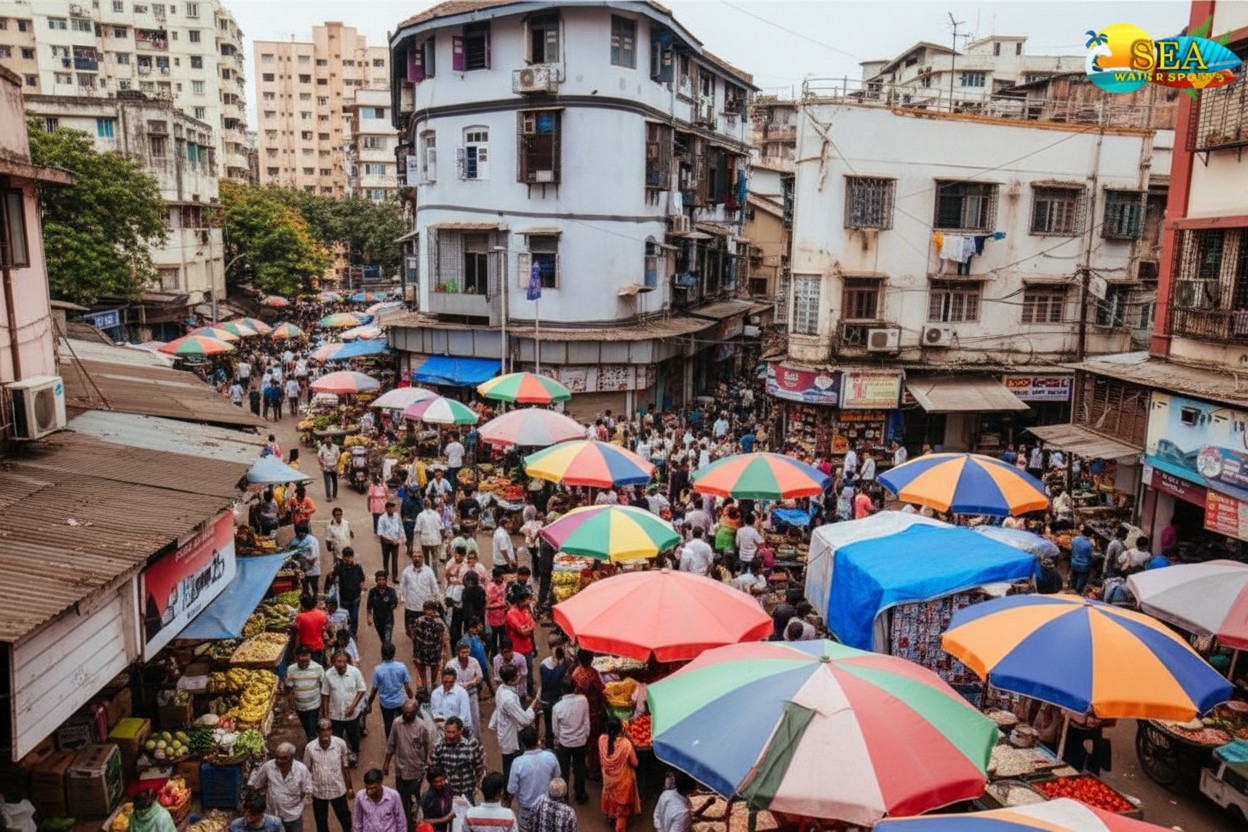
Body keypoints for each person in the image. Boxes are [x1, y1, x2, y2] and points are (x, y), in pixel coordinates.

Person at [383, 699, 434, 832]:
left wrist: (428, 765)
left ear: (416, 712)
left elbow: (428, 747)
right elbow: (391, 744)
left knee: (416, 799)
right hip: (401, 768)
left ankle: (416, 824)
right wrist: (386, 763)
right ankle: (404, 824)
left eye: (409, 713)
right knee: (402, 797)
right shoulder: (397, 723)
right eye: (404, 712)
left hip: (417, 770)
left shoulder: (422, 726)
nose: (406, 715)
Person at [491, 664, 539, 787]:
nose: (520, 676)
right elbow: (525, 720)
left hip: (509, 731)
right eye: (517, 675)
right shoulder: (509, 699)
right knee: (510, 764)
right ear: (512, 679)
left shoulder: (502, 689)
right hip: (510, 735)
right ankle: (509, 790)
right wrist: (533, 706)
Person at [248, 742, 314, 832]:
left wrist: (297, 804)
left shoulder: (301, 769)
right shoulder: (268, 766)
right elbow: (256, 784)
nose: (279, 761)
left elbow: (307, 790)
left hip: (293, 815)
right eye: (277, 758)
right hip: (272, 814)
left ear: (291, 757)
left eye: (284, 758)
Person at [303, 719, 354, 832]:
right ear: (317, 733)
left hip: (338, 789)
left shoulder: (340, 744)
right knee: (321, 823)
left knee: (345, 819)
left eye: (328, 730)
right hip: (319, 791)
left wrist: (349, 787)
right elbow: (306, 770)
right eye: (322, 731)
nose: (325, 733)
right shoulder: (310, 748)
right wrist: (308, 790)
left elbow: (345, 767)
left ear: (331, 731)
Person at [507, 727, 560, 832]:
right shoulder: (550, 757)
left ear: (522, 744)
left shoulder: (517, 763)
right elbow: (557, 778)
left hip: (527, 813)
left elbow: (511, 790)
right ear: (538, 740)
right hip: (548, 810)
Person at [322, 651, 368, 766]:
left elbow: (362, 689)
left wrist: (353, 706)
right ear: (334, 662)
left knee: (354, 737)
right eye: (339, 662)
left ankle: (355, 756)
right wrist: (326, 715)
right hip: (335, 715)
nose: (341, 664)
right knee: (337, 739)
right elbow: (325, 695)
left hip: (352, 715)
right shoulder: (328, 675)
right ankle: (341, 759)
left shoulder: (354, 672)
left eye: (344, 662)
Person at [551, 678, 590, 804]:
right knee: (580, 768)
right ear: (575, 688)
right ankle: (580, 794)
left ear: (562, 690)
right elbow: (586, 721)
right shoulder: (583, 700)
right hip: (580, 741)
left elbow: (555, 729)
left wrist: (557, 740)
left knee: (564, 770)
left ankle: (564, 796)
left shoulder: (557, 707)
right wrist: (586, 735)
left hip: (565, 743)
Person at [597, 718, 639, 832]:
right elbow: (635, 763)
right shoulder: (625, 744)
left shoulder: (601, 740)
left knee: (611, 799)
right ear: (620, 729)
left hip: (608, 779)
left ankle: (611, 816)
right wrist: (629, 738)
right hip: (623, 783)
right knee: (622, 810)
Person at [570, 650, 606, 776]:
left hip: (579, 710)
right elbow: (602, 690)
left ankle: (582, 765)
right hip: (593, 711)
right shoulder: (592, 674)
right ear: (590, 659)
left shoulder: (575, 673)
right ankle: (593, 768)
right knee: (593, 740)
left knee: (582, 738)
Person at [368, 642, 415, 739]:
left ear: (382, 654)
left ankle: (390, 742)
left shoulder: (378, 670)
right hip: (400, 702)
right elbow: (407, 686)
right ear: (394, 653)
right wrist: (411, 697)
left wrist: (369, 703)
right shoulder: (401, 667)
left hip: (386, 704)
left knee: (388, 724)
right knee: (404, 722)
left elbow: (374, 690)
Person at [432, 716, 485, 800]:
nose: (450, 735)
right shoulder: (439, 746)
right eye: (448, 732)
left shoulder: (470, 745)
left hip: (467, 792)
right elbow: (435, 769)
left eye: (453, 732)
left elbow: (478, 767)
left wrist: (477, 785)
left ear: (461, 731)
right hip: (447, 792)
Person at [287, 645, 327, 740]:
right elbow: (289, 688)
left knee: (311, 731)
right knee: (307, 728)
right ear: (296, 657)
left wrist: (324, 706)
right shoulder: (291, 669)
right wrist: (290, 703)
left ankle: (312, 746)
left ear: (310, 656)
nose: (304, 660)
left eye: (307, 657)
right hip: (299, 706)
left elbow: (324, 687)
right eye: (301, 658)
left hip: (314, 705)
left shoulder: (318, 668)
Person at [326, 547, 366, 637]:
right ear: (343, 557)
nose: (348, 559)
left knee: (354, 617)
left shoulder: (357, 567)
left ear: (353, 557)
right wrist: (332, 576)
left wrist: (362, 585)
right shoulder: (339, 567)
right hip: (344, 598)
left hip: (356, 597)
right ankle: (346, 634)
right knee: (345, 618)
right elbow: (331, 578)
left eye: (350, 557)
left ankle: (353, 634)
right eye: (346, 557)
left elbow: (362, 579)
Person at [505, 593, 538, 699]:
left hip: (527, 647)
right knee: (517, 673)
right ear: (519, 602)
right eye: (525, 600)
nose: (527, 602)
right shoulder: (511, 614)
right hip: (516, 649)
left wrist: (526, 628)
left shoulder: (526, 611)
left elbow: (532, 625)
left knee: (529, 671)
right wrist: (526, 628)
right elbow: (523, 631)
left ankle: (530, 691)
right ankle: (518, 695)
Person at [538, 645, 571, 745]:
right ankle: (556, 742)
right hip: (556, 700)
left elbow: (541, 683)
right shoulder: (561, 669)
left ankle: (549, 743)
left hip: (545, 700)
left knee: (548, 723)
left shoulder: (543, 665)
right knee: (557, 723)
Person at [413, 600, 448, 690]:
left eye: (432, 610)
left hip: (434, 652)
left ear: (435, 611)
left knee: (434, 675)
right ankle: (424, 689)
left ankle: (433, 688)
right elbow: (414, 636)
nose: (429, 612)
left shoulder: (439, 623)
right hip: (421, 651)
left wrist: (444, 654)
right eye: (427, 610)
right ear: (424, 610)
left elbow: (444, 638)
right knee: (422, 675)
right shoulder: (419, 621)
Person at [431, 667, 474, 735]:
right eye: (445, 682)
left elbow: (464, 715)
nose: (448, 684)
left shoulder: (462, 693)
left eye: (450, 682)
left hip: (457, 731)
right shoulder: (435, 693)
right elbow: (434, 711)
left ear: (455, 680)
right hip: (440, 731)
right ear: (442, 680)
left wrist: (452, 728)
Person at [367, 571, 400, 646]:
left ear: (386, 580)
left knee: (387, 640)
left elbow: (395, 603)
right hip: (377, 620)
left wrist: (391, 605)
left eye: (383, 579)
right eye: (379, 579)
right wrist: (369, 617)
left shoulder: (391, 591)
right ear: (376, 580)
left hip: (388, 619)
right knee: (383, 639)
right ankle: (386, 653)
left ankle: (388, 654)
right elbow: (369, 606)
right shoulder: (372, 592)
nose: (381, 581)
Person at [420, 768, 457, 832]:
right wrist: (445, 819)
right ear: (431, 782)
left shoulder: (447, 789)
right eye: (439, 781)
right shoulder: (427, 798)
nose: (443, 783)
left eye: (443, 779)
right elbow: (424, 820)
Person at [378, 501, 407, 580]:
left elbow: (401, 527)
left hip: (395, 542)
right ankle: (385, 574)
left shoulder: (397, 516)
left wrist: (403, 538)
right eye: (390, 508)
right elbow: (380, 532)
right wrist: (389, 540)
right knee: (385, 559)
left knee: (395, 559)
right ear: (386, 509)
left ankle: (395, 576)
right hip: (386, 542)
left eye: (393, 508)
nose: (392, 510)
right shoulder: (382, 518)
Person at [294, 594, 329, 658]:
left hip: (305, 648)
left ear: (303, 605)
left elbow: (298, 634)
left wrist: (296, 648)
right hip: (318, 646)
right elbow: (324, 629)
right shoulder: (322, 615)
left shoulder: (300, 617)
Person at [293, 522, 322, 597]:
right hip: (303, 570)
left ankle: (314, 600)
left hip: (313, 570)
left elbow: (313, 558)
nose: (299, 536)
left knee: (314, 587)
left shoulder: (312, 541)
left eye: (301, 534)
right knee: (305, 588)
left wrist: (302, 556)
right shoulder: (296, 539)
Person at [417, 502, 446, 573]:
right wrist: (442, 538)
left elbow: (418, 530)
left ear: (423, 506)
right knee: (435, 559)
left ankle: (427, 574)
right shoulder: (437, 515)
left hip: (425, 540)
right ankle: (435, 576)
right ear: (430, 506)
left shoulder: (420, 515)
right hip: (435, 540)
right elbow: (441, 528)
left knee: (426, 558)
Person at [486, 568, 509, 657]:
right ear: (496, 577)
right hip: (493, 620)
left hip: (502, 618)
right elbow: (488, 605)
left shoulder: (502, 585)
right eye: (500, 577)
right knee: (493, 641)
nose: (502, 578)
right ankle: (494, 657)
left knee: (504, 639)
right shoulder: (490, 588)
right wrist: (501, 605)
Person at [1069, 526, 1094, 594]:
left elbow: (1071, 549)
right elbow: (1090, 556)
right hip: (1084, 566)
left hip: (1074, 563)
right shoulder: (1089, 545)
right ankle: (1077, 594)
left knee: (1073, 581)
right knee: (1080, 586)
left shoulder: (1074, 539)